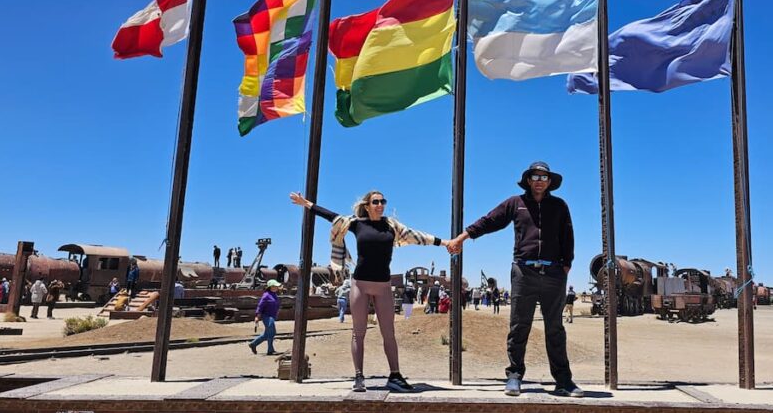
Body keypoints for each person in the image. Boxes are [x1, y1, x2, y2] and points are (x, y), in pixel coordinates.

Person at [446, 161, 583, 398]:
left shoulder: (559, 206)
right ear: (528, 180)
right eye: (535, 176)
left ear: (549, 182)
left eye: (544, 177)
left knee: (555, 329)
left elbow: (567, 236)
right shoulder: (515, 204)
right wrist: (463, 237)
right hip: (523, 272)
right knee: (519, 327)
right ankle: (514, 376)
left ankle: (564, 381)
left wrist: (566, 266)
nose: (539, 181)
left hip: (553, 274)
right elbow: (490, 220)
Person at [290, 189, 445, 393]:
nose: (380, 205)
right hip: (360, 284)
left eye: (383, 201)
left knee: (389, 333)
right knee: (358, 333)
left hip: (383, 286)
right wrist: (307, 204)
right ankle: (359, 376)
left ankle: (395, 376)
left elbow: (417, 236)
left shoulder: (391, 226)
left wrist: (443, 243)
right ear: (367, 205)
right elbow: (331, 216)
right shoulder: (356, 224)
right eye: (376, 202)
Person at [248, 280, 281, 356]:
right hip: (266, 316)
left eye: (276, 286)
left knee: (267, 334)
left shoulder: (274, 295)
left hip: (272, 316)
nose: (276, 287)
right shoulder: (266, 295)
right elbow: (260, 306)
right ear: (270, 287)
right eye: (275, 286)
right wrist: (257, 316)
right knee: (272, 332)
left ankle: (253, 344)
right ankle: (270, 350)